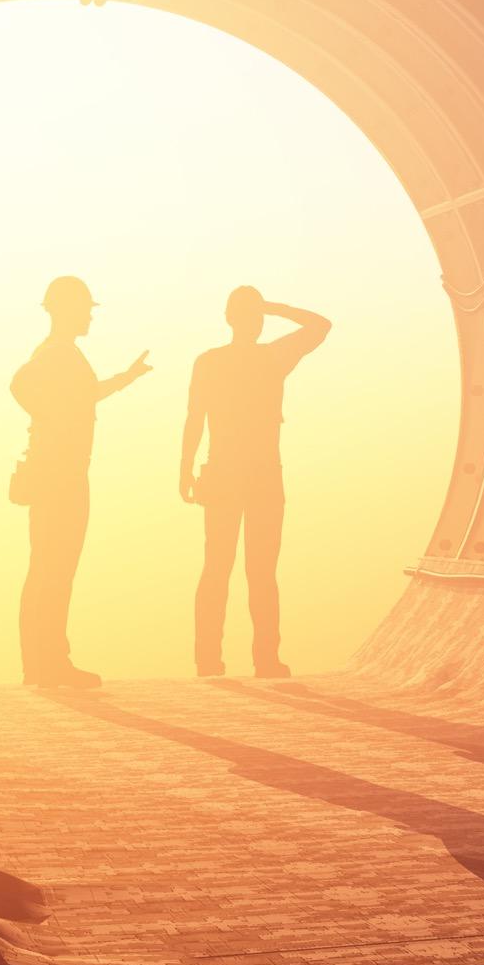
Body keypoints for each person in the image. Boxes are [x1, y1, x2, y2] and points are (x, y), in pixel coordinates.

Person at [10, 275, 149, 688]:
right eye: (85, 307)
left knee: (51, 568)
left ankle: (46, 661)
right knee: (51, 568)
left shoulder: (62, 353)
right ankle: (46, 663)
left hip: (63, 472)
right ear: (67, 309)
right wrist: (50, 423)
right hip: (61, 476)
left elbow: (81, 397)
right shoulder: (56, 353)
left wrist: (125, 378)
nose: (90, 314)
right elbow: (20, 385)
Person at [183, 287, 330, 678]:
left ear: (228, 318)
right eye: (254, 314)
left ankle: (209, 659)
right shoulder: (272, 357)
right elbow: (320, 325)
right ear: (250, 319)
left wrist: (185, 469)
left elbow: (195, 417)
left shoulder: (211, 362)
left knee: (219, 566)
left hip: (227, 473)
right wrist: (274, 308)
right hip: (260, 474)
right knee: (258, 571)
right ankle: (264, 659)